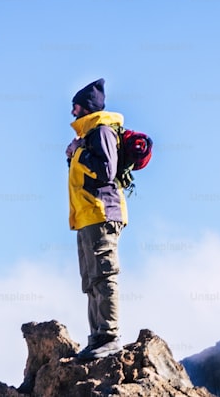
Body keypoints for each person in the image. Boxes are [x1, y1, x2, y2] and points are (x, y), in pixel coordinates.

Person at [65, 78, 128, 360]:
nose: (72, 112)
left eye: (75, 106)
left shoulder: (101, 131)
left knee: (104, 275)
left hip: (102, 214)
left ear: (86, 107)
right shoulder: (88, 135)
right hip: (87, 216)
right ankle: (97, 338)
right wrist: (75, 155)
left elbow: (105, 170)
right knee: (91, 280)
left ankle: (109, 336)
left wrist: (77, 153)